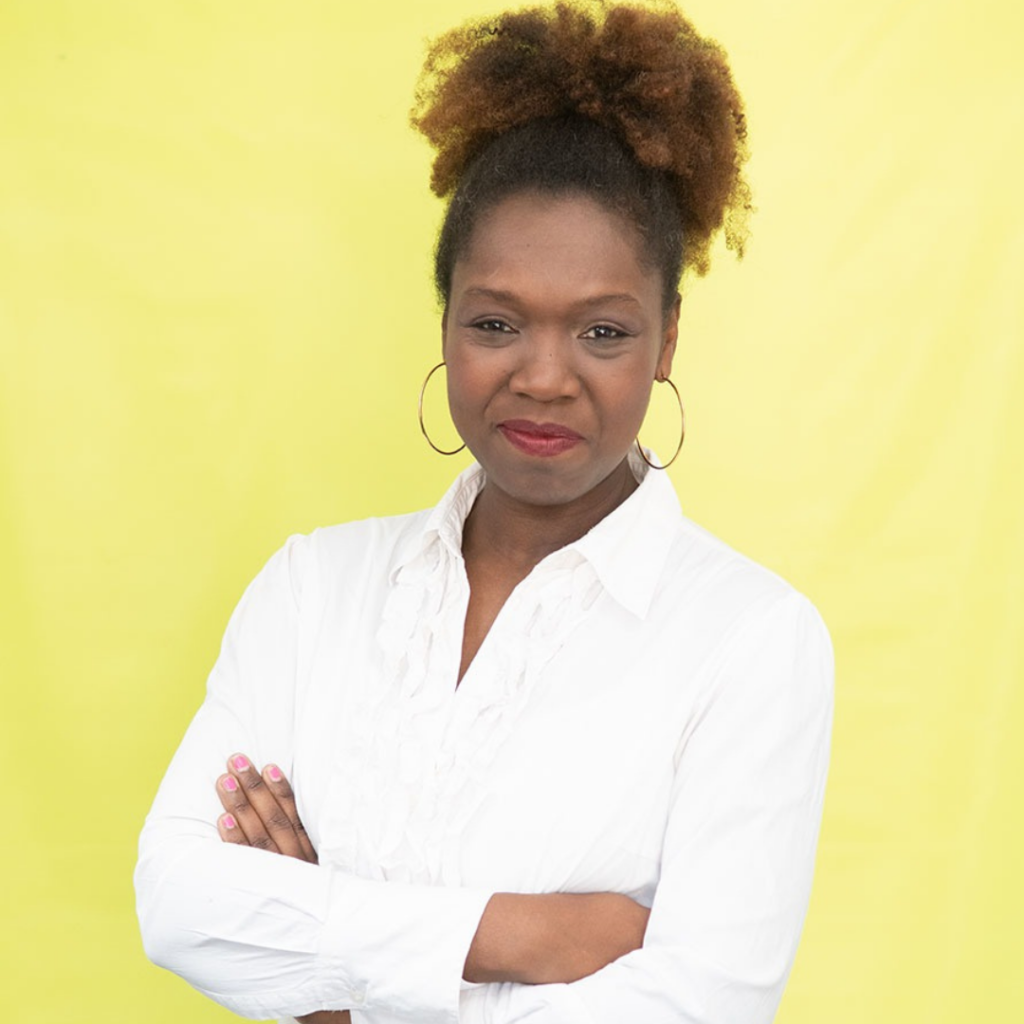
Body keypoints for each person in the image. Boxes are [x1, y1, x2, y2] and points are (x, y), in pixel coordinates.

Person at [135, 3, 834, 1023]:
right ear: (448, 317)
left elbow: (695, 1005)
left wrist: (329, 972)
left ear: (668, 340)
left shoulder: (752, 643)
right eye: (497, 322)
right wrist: (520, 935)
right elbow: (180, 903)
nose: (543, 376)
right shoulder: (311, 589)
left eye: (601, 330)